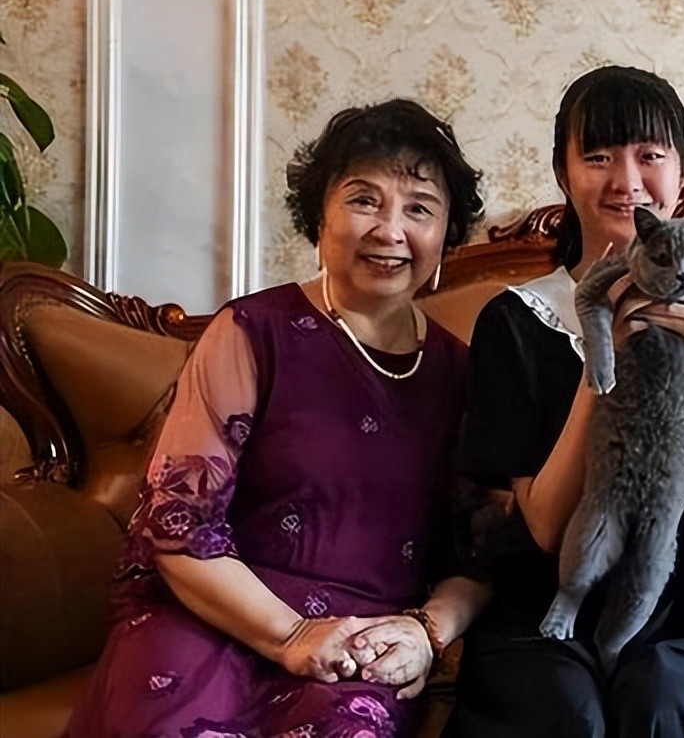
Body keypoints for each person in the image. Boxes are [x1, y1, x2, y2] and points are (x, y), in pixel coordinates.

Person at [67, 99, 491, 738]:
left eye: (419, 209)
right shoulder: (253, 332)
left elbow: (482, 552)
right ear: (319, 216)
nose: (390, 230)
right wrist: (290, 634)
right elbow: (178, 526)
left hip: (360, 643)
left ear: (446, 235)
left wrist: (427, 632)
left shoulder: (463, 371)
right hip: (213, 613)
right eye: (364, 200)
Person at [444, 65, 684, 738]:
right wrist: (603, 357)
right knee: (566, 713)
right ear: (563, 174)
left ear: (682, 172)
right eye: (598, 157)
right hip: (547, 597)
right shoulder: (516, 321)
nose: (627, 180)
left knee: (658, 702)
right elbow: (545, 527)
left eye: (650, 156)